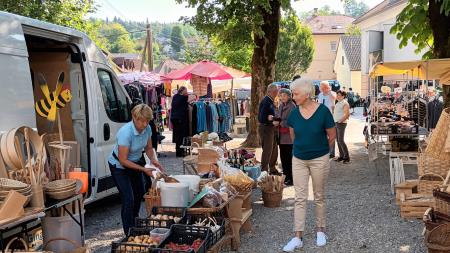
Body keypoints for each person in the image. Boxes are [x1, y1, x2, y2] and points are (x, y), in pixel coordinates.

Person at [283, 78, 336, 252]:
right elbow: (293, 136)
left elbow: (332, 136)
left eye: (295, 93)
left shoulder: (323, 112)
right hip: (298, 159)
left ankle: (321, 230)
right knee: (300, 197)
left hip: (319, 158)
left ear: (307, 94)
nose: (293, 96)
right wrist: (302, 150)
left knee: (319, 195)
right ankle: (297, 236)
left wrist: (320, 152)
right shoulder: (294, 113)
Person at [108, 104, 164, 235]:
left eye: (147, 121)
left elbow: (148, 148)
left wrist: (153, 160)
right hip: (119, 166)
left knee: (139, 193)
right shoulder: (126, 132)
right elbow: (123, 160)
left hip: (135, 162)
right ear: (134, 117)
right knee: (128, 198)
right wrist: (143, 169)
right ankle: (128, 232)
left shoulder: (148, 128)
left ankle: (134, 223)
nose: (145, 124)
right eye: (142, 121)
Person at [274, 88, 296, 185]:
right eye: (280, 95)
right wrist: (274, 118)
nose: (282, 97)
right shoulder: (281, 105)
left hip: (289, 136)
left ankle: (291, 178)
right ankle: (286, 176)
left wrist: (280, 122)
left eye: (284, 95)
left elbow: (293, 121)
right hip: (281, 136)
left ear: (288, 96)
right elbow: (278, 116)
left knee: (289, 158)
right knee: (283, 158)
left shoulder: (292, 106)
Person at [258, 83, 279, 174]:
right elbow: (262, 118)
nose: (277, 93)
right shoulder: (266, 101)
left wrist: (273, 119)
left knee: (274, 149)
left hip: (270, 128)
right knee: (267, 150)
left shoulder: (270, 100)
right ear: (273, 91)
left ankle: (272, 168)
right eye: (277, 91)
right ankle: (264, 171)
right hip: (266, 128)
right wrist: (270, 120)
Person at [317, 81, 336, 158]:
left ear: (326, 87)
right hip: (321, 116)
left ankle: (332, 152)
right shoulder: (320, 94)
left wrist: (329, 91)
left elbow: (334, 98)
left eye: (321, 87)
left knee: (331, 134)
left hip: (330, 116)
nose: (320, 88)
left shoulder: (332, 93)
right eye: (320, 87)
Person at [171, 87, 189, 157]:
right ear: (183, 91)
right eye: (186, 90)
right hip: (180, 119)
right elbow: (193, 97)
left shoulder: (175, 96)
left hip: (174, 118)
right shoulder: (184, 98)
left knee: (177, 135)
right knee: (180, 136)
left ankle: (178, 151)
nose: (187, 91)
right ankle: (179, 153)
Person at [334, 90, 350, 163]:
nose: (337, 96)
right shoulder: (338, 103)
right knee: (338, 140)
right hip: (336, 123)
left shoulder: (345, 103)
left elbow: (347, 114)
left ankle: (347, 157)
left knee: (341, 140)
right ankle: (341, 156)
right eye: (337, 95)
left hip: (341, 123)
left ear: (343, 96)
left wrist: (340, 120)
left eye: (339, 95)